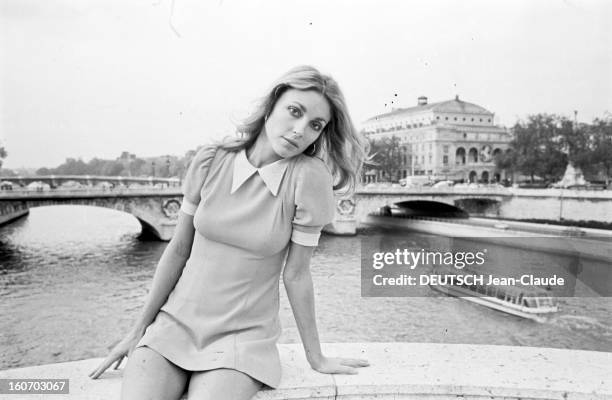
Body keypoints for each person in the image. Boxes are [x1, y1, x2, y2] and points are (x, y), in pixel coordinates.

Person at [89, 65, 369, 400]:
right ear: (272, 105)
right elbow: (178, 250)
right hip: (172, 326)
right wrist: (138, 330)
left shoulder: (308, 179)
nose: (299, 131)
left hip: (242, 339)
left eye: (315, 125)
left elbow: (296, 275)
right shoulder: (211, 160)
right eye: (294, 112)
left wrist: (316, 356)